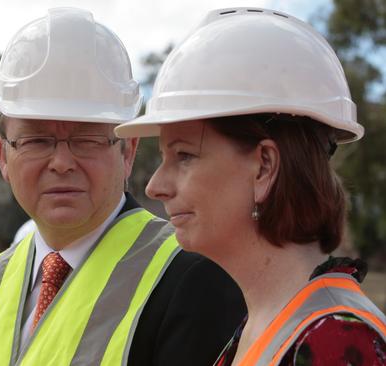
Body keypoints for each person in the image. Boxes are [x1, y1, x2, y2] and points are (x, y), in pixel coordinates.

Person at [0, 7, 245, 366]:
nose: (61, 162)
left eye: (86, 140)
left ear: (128, 152)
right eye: (37, 141)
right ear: (3, 157)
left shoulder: (194, 276)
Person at [115, 7, 386, 366]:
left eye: (183, 156)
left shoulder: (336, 342)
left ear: (264, 167)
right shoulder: (269, 322)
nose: (154, 186)